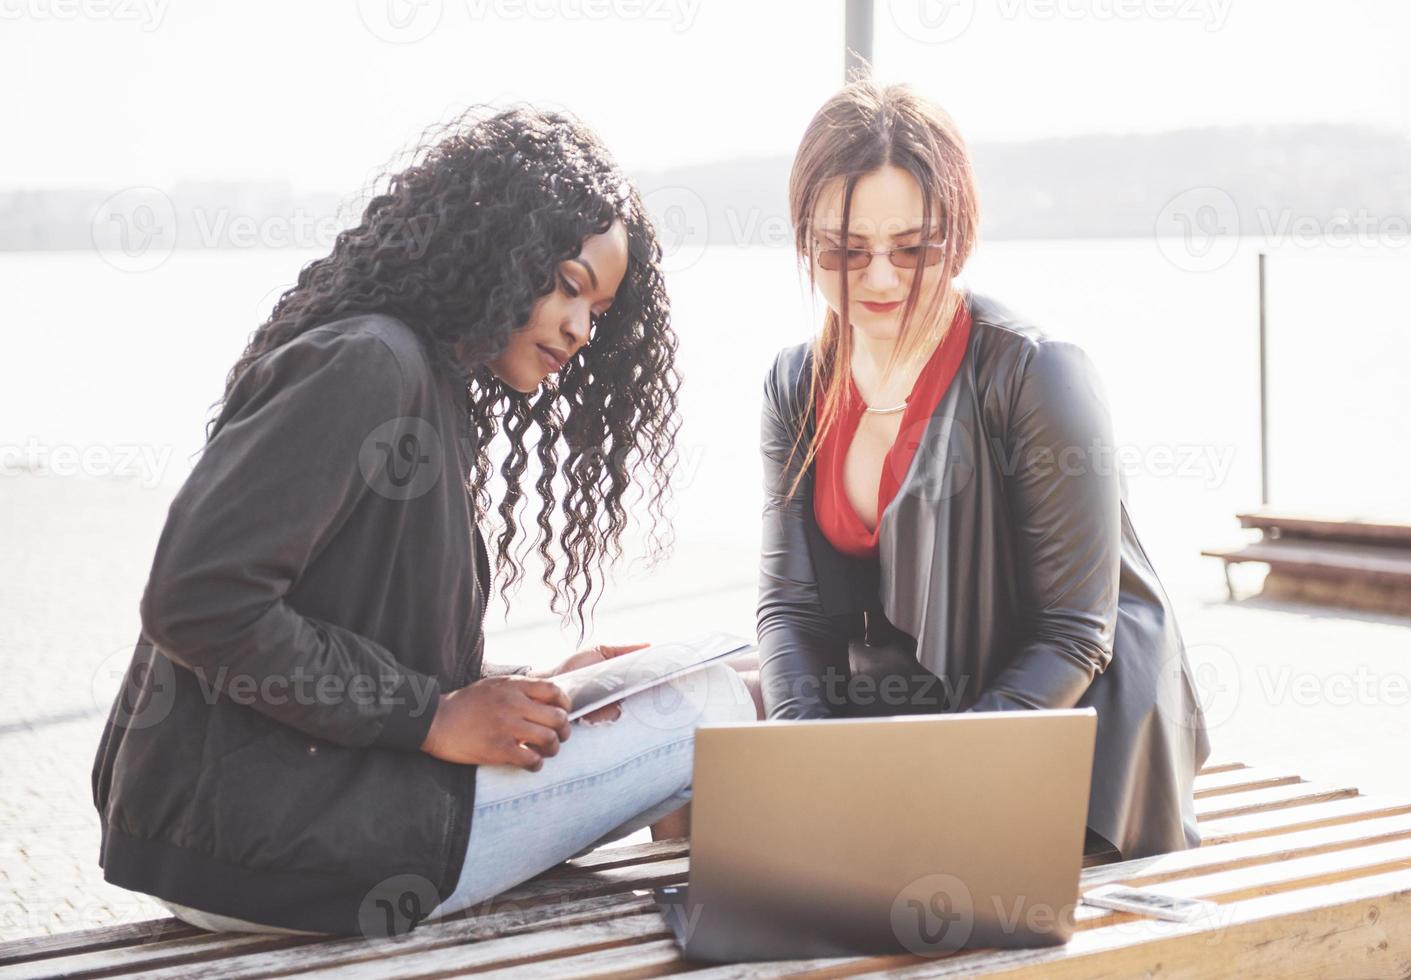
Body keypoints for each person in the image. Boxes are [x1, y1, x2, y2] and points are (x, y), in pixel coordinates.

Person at [91, 104, 753, 937]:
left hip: (293, 829)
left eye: (599, 311)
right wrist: (430, 717)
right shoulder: (367, 362)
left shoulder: (419, 381)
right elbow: (198, 600)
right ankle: (726, 946)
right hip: (282, 851)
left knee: (712, 682)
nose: (582, 328)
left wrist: (539, 688)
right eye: (569, 286)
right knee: (720, 710)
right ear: (499, 247)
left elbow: (352, 631)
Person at [755, 80, 1212, 861]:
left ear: (958, 238)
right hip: (923, 715)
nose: (879, 280)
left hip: (1076, 736)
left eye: (913, 249)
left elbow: (1074, 634)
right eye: (842, 251)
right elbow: (790, 609)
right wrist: (809, 761)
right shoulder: (795, 384)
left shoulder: (1037, 372)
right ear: (804, 241)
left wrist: (948, 776)